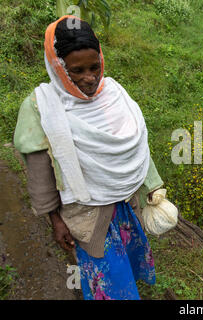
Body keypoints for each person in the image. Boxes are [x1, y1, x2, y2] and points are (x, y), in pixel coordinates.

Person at [13, 15, 163, 300]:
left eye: (95, 67)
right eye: (76, 70)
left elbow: (134, 145)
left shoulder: (114, 95)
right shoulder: (40, 107)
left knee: (127, 257)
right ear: (58, 68)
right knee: (106, 273)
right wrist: (54, 221)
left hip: (126, 204)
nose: (89, 78)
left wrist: (153, 185)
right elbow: (40, 172)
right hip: (86, 214)